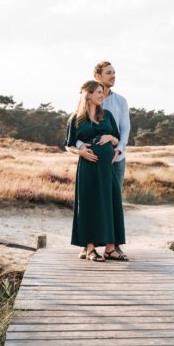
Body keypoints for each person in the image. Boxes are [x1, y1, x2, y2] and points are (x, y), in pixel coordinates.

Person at [65, 80, 127, 261]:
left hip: (107, 169)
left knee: (111, 203)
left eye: (102, 92)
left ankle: (110, 248)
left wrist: (110, 137)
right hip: (88, 168)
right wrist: (81, 152)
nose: (102, 95)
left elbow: (116, 139)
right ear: (89, 95)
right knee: (89, 205)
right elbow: (68, 145)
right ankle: (90, 248)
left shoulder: (107, 115)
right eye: (99, 92)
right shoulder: (75, 118)